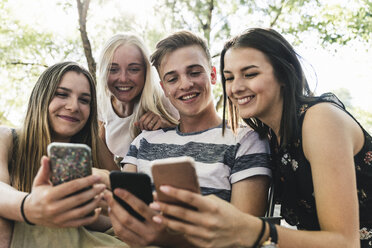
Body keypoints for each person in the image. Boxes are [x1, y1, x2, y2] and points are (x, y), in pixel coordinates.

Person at [148, 28, 372, 248]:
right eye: (229, 77)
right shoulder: (271, 136)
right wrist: (170, 124)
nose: (236, 87)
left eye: (250, 74)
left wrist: (251, 229)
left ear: (283, 74)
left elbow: (345, 243)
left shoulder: (320, 120)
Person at [103, 30, 272, 247]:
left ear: (212, 75)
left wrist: (168, 238)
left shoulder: (245, 140)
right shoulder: (145, 140)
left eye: (194, 73)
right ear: (164, 88)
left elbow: (243, 236)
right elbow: (123, 215)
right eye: (173, 78)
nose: (185, 84)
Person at [0, 62, 127, 248]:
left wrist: (89, 211)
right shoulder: (7, 138)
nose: (74, 106)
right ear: (41, 97)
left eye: (84, 100)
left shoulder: (93, 148)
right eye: (62, 94)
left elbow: (121, 208)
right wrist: (32, 206)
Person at [97, 33, 179, 161]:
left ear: (146, 71)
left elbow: (195, 138)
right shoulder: (101, 103)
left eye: (134, 69)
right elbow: (104, 156)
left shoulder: (164, 100)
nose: (123, 79)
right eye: (113, 70)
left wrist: (168, 126)